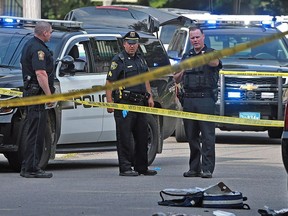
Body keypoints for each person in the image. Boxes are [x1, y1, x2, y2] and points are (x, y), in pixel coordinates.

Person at [105, 31, 157, 177]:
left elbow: (146, 79)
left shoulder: (141, 59)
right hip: (124, 105)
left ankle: (142, 167)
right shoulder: (119, 60)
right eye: (129, 43)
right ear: (124, 44)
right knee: (125, 138)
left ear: (138, 44)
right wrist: (110, 102)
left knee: (142, 136)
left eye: (134, 43)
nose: (132, 46)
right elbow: (109, 83)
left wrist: (150, 96)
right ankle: (126, 167)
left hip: (140, 103)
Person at [174, 26, 222, 179]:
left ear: (203, 37)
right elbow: (176, 78)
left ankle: (207, 169)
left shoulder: (211, 53)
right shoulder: (187, 55)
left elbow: (216, 63)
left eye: (197, 37)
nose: (195, 40)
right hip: (189, 99)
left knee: (208, 137)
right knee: (191, 136)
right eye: (192, 37)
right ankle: (194, 168)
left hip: (205, 99)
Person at [20, 21, 55, 178]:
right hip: (37, 95)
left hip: (31, 94)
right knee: (36, 133)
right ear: (45, 33)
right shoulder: (38, 49)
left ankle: (27, 166)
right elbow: (41, 73)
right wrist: (48, 95)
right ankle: (32, 168)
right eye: (51, 32)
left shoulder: (29, 44)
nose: (51, 34)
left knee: (33, 131)